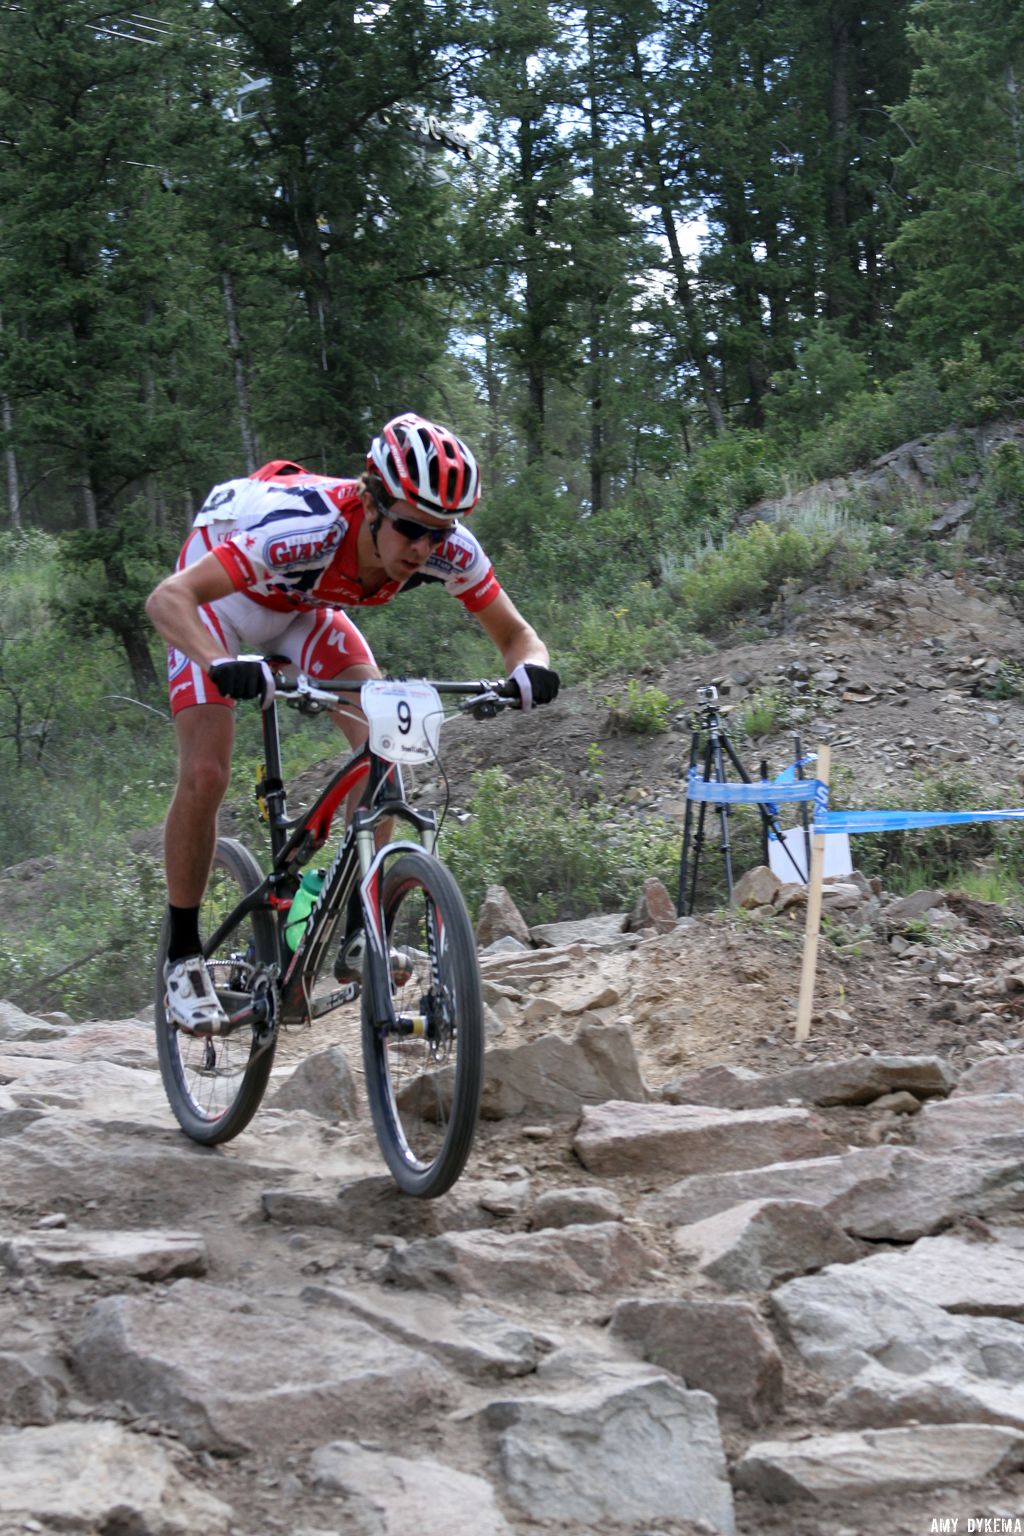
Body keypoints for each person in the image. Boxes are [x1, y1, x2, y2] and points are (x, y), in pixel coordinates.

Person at [146, 413, 560, 1035]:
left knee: (382, 747)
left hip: (302, 608)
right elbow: (167, 599)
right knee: (206, 772)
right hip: (218, 605)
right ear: (371, 502)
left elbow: (518, 636)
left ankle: (359, 934)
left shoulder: (444, 548)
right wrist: (220, 664)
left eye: (438, 532)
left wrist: (532, 670)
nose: (423, 549)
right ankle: (182, 956)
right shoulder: (304, 530)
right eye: (410, 529)